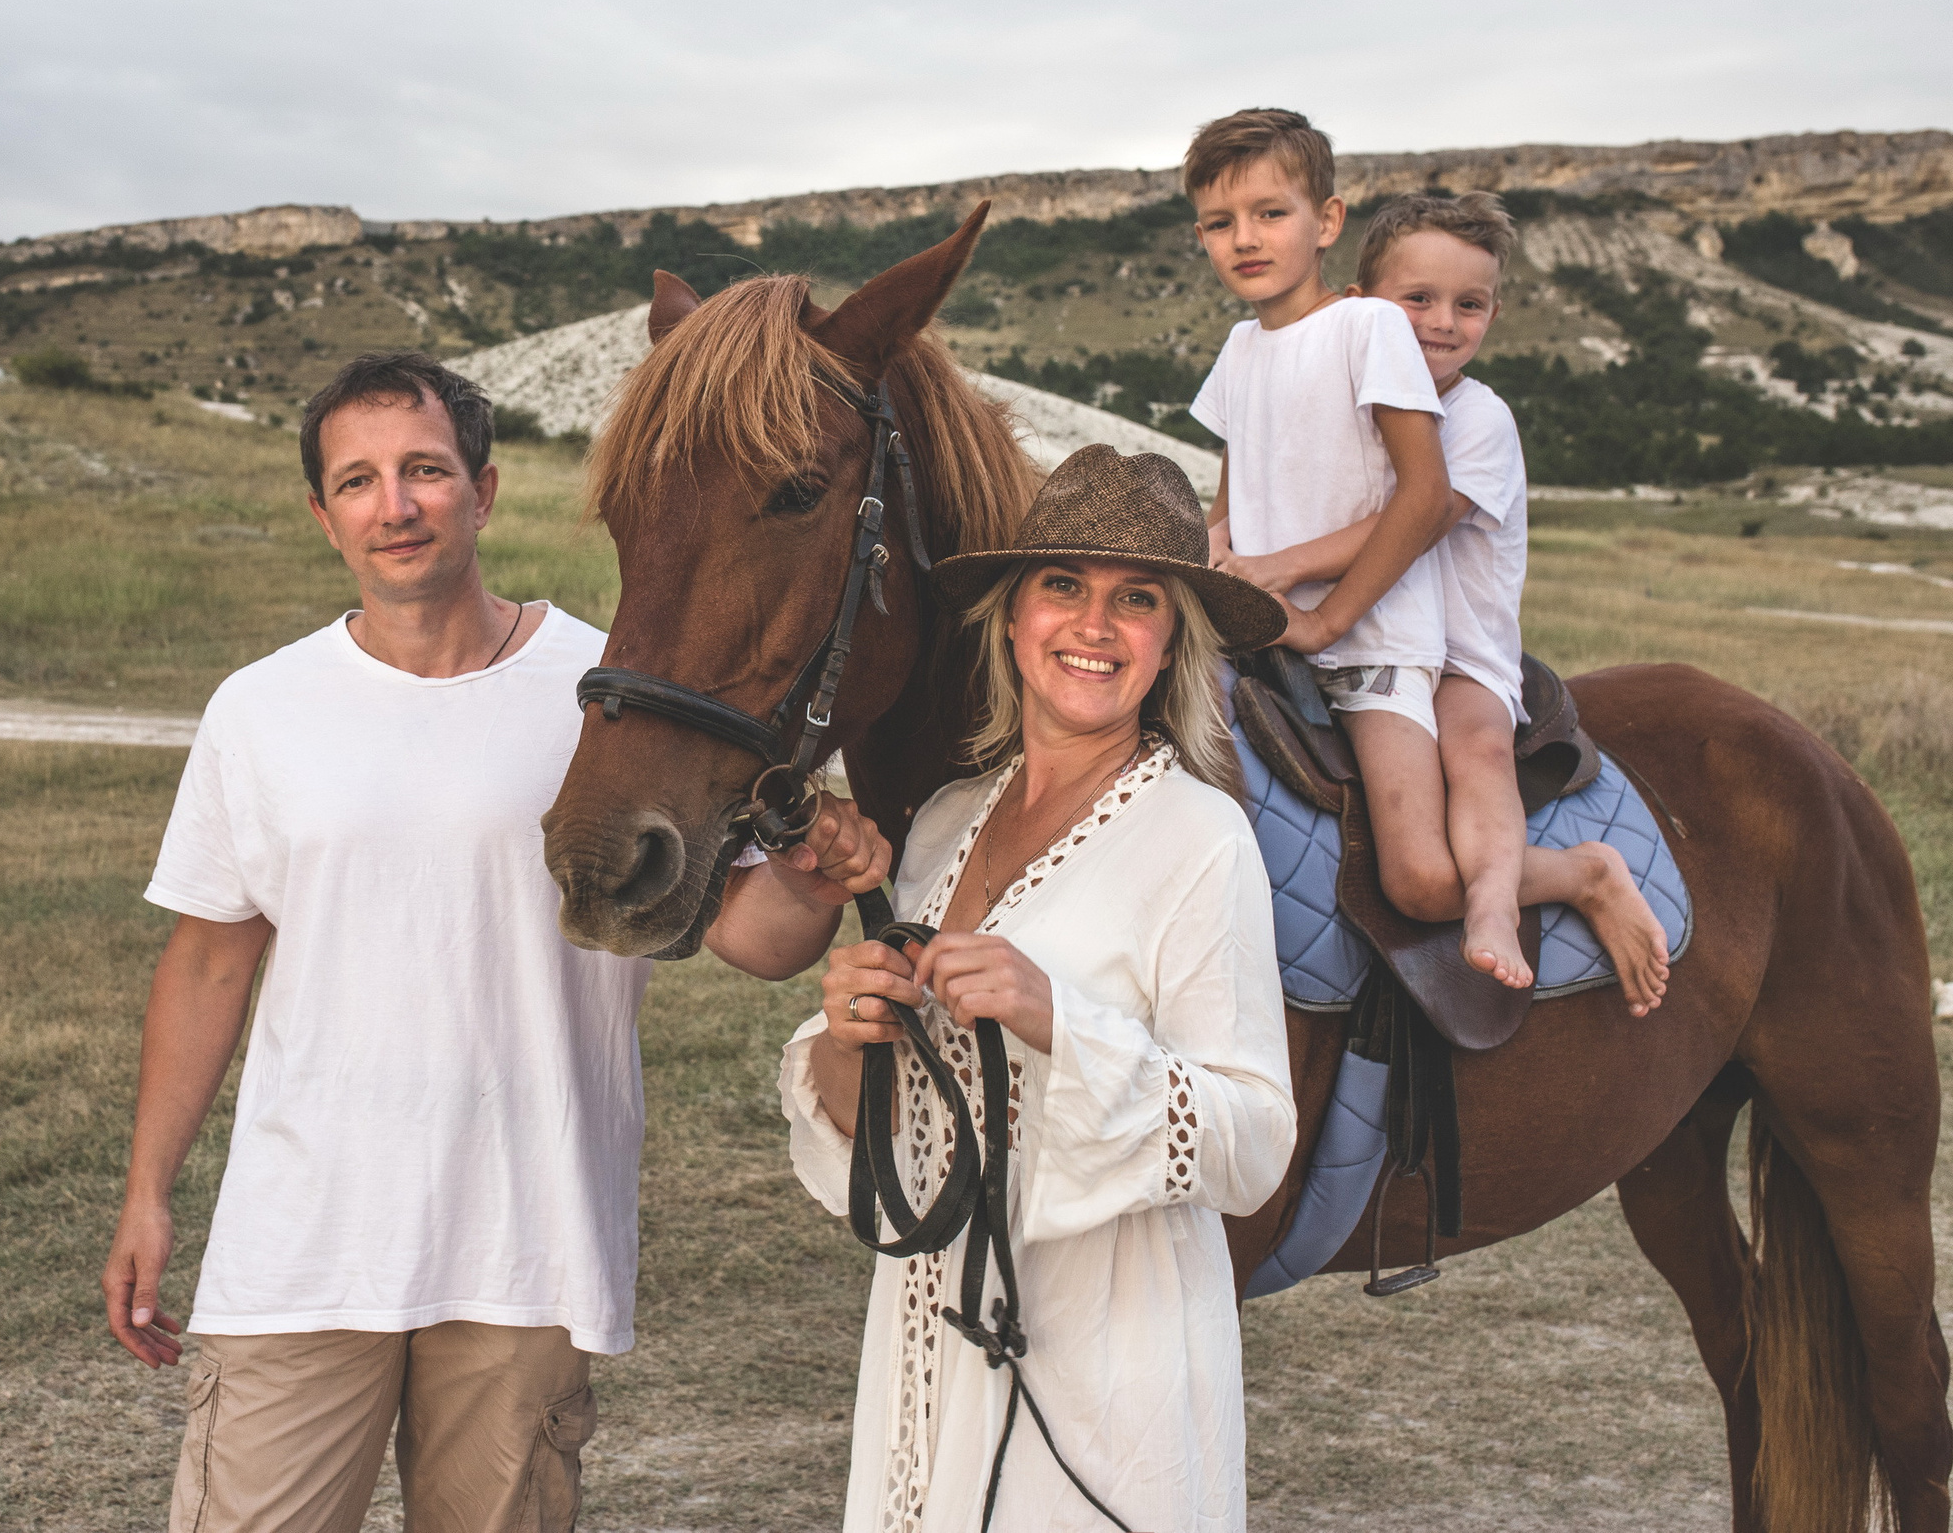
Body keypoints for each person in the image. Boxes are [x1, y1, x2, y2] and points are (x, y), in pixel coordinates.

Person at [706, 446, 1298, 1533]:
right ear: (1012, 620)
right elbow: (885, 1129)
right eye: (1061, 587)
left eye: (1137, 602)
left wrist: (1055, 1018)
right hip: (931, 1328)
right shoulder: (942, 823)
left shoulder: (1199, 839)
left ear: (1170, 645)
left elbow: (1253, 1142)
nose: (1093, 625)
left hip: (1106, 1349)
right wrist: (849, 1038)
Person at [99, 352, 642, 1533]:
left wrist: (825, 865)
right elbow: (207, 961)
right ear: (323, 514)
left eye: (424, 471)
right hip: (304, 1237)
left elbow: (755, 922)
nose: (393, 506)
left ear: (484, 491)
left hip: (524, 1238)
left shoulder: (603, 690)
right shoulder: (260, 707)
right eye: (358, 481)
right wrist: (148, 1193)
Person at [1222, 193, 1671, 1012]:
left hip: (1458, 653)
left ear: (1495, 313)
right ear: (1362, 310)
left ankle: (1560, 880)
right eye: (1417, 299)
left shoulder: (1477, 418)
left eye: (1469, 305)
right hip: (1368, 637)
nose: (1441, 322)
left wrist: (1275, 566)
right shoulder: (1357, 403)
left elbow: (1408, 522)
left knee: (1469, 771)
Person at [1182, 107, 1462, 952]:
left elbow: (1425, 494)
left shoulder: (1365, 326)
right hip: (1263, 637)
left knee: (1417, 874)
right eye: (1219, 223)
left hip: (1369, 642)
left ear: (1327, 220)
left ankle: (1574, 876)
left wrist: (1328, 617)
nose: (1245, 238)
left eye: (1272, 213)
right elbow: (1228, 514)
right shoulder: (1238, 349)